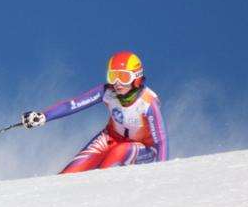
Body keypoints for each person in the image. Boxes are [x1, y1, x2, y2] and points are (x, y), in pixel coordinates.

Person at [21, 51, 168, 173]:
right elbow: (73, 105)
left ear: (136, 78)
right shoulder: (107, 92)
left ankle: (98, 194)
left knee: (119, 153)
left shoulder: (148, 102)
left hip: (145, 149)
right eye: (112, 76)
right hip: (111, 138)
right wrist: (44, 116)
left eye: (123, 77)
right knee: (70, 174)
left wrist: (162, 172)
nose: (117, 82)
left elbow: (160, 141)